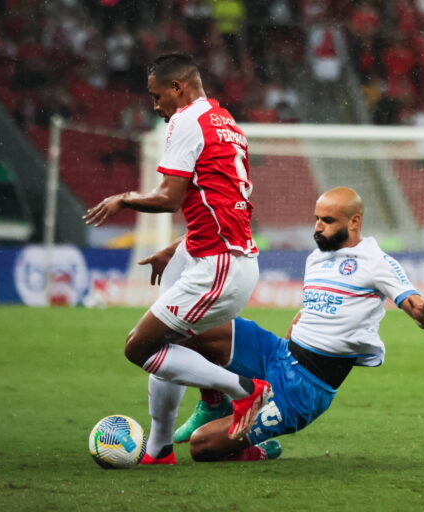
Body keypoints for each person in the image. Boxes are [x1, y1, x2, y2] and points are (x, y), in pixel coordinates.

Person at [143, 187, 424, 462]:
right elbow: (306, 313)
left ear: (354, 222)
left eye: (327, 220)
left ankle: (259, 446)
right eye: (316, 219)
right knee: (183, 328)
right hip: (279, 354)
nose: (317, 227)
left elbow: (412, 302)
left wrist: (423, 315)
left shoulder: (377, 262)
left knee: (202, 446)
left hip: (306, 388)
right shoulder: (317, 258)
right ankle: (214, 402)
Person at [83, 53, 266, 464]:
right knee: (164, 342)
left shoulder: (186, 120)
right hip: (213, 253)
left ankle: (244, 390)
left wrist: (123, 198)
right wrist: (180, 246)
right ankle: (160, 448)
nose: (155, 105)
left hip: (221, 264)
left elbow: (168, 198)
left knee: (140, 348)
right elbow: (219, 199)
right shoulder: (226, 121)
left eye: (156, 95)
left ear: (178, 88)